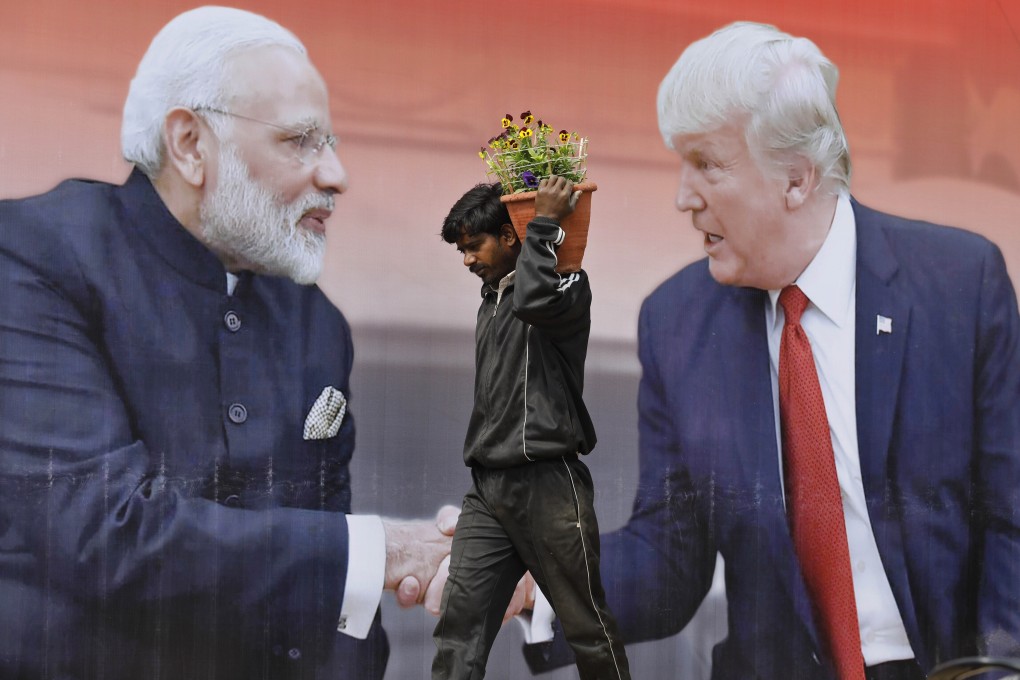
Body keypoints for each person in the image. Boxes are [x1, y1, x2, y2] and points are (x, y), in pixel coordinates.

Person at [523, 21, 1020, 680]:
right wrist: (534, 572)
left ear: (795, 180)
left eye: (706, 164)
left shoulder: (960, 284)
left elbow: (1012, 522)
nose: (681, 197)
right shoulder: (676, 323)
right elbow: (669, 558)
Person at [0, 7, 454, 680]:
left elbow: (331, 594)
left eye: (328, 142)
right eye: (301, 141)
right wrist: (385, 550)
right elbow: (106, 535)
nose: (336, 175)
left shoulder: (315, 323)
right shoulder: (36, 257)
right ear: (189, 143)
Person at [430, 178, 631, 680]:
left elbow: (535, 302)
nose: (466, 260)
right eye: (460, 249)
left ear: (508, 235)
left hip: (550, 486)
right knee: (460, 630)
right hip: (488, 490)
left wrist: (541, 224)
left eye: (473, 246)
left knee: (586, 630)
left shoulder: (566, 284)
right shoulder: (491, 299)